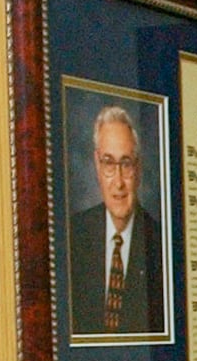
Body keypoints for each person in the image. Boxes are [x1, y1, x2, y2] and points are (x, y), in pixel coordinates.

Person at [68, 104, 166, 337]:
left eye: (126, 164)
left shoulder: (161, 244)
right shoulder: (73, 236)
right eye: (109, 163)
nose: (119, 182)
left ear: (138, 168)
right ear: (96, 165)